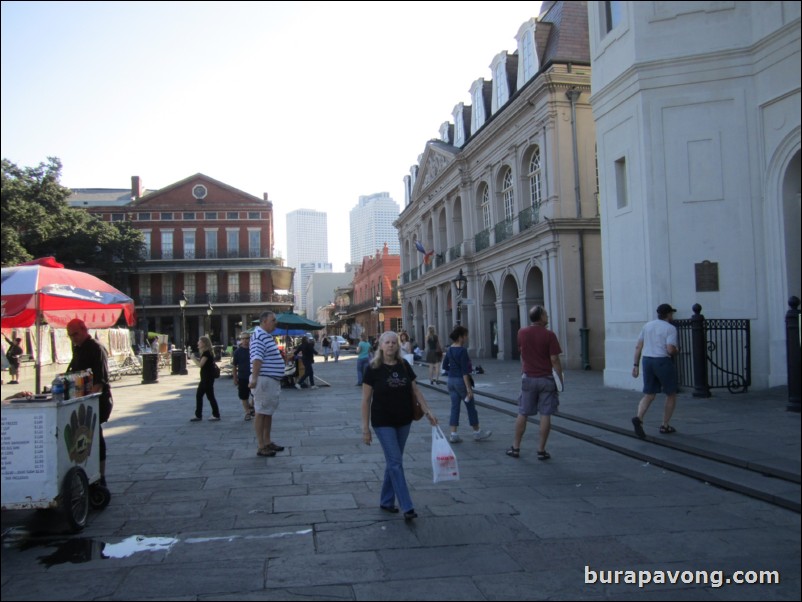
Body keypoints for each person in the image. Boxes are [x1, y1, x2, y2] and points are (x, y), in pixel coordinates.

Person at [361, 331, 438, 520]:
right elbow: (365, 400)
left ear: (398, 345)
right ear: (380, 345)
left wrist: (428, 411)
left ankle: (386, 501)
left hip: (404, 420)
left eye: (394, 342)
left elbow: (416, 390)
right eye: (387, 342)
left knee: (393, 462)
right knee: (395, 462)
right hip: (382, 422)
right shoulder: (372, 368)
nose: (391, 345)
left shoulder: (404, 365)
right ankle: (407, 506)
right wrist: (365, 428)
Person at [507, 305, 563, 460]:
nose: (548, 316)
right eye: (545, 314)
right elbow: (554, 359)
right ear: (541, 317)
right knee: (545, 414)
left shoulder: (521, 333)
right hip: (546, 378)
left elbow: (523, 352)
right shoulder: (549, 335)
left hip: (528, 377)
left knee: (523, 412)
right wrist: (560, 377)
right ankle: (541, 450)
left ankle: (516, 447)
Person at [65, 319, 113, 485]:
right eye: (70, 335)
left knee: (95, 436)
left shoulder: (95, 348)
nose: (73, 338)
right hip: (82, 400)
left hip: (97, 401)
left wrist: (86, 399)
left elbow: (100, 380)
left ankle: (100, 476)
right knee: (85, 437)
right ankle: (87, 473)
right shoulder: (77, 348)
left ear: (84, 329)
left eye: (76, 334)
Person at [632, 303, 680, 438]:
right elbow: (670, 349)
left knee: (649, 394)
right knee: (670, 393)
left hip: (647, 360)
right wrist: (677, 350)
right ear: (669, 314)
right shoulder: (670, 328)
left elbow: (638, 346)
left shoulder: (647, 326)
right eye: (672, 314)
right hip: (662, 361)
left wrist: (635, 365)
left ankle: (639, 418)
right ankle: (665, 425)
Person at [441, 325, 492, 443]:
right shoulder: (462, 351)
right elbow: (465, 372)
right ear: (460, 337)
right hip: (460, 381)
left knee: (455, 408)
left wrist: (453, 369)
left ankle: (453, 434)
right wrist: (469, 389)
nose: (466, 338)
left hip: (450, 381)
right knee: (471, 407)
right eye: (465, 336)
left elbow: (444, 366)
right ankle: (477, 432)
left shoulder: (449, 350)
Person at [249, 311, 286, 457]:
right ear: (264, 321)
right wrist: (254, 379)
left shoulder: (266, 336)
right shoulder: (259, 336)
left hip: (270, 380)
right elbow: (257, 359)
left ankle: (267, 441)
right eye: (273, 320)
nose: (275, 323)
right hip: (264, 380)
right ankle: (261, 445)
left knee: (267, 412)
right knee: (261, 412)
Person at [191, 335, 221, 422]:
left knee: (206, 396)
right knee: (205, 396)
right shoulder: (207, 353)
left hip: (206, 379)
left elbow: (200, 365)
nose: (198, 343)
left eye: (199, 342)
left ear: (204, 343)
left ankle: (211, 414)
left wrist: (193, 358)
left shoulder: (206, 353)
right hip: (206, 378)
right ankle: (203, 414)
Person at [232, 332, 254, 421]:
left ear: (250, 339)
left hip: (253, 376)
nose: (245, 340)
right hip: (242, 377)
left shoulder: (254, 350)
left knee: (255, 396)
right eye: (243, 339)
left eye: (247, 338)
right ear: (240, 340)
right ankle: (248, 412)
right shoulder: (237, 352)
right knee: (244, 396)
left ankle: (251, 407)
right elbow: (234, 366)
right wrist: (235, 378)